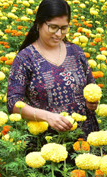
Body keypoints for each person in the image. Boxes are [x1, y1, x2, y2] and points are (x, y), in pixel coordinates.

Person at [6, 0, 99, 137]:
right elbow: (13, 103)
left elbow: (91, 86)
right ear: (39, 24)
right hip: (47, 142)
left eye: (64, 28)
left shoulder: (76, 52)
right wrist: (47, 117)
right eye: (53, 27)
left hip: (85, 138)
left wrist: (92, 102)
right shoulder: (25, 58)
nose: (58, 34)